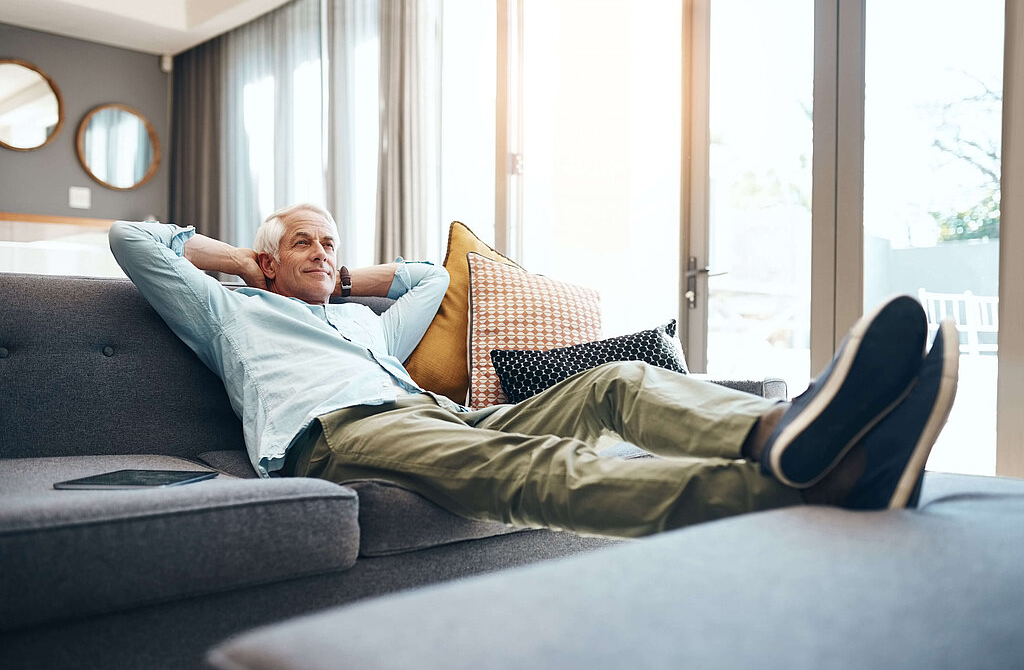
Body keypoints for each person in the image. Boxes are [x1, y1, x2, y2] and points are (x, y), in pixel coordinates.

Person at [109, 203, 959, 539]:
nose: (323, 253)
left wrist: (337, 273)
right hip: (338, 433)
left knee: (616, 384)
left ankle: (782, 434)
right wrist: (250, 267)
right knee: (540, 466)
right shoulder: (228, 311)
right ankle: (816, 491)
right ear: (265, 254)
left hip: (438, 418)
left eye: (330, 242)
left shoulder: (360, 319)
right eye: (305, 241)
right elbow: (131, 241)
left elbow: (434, 280)